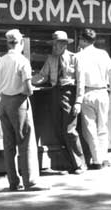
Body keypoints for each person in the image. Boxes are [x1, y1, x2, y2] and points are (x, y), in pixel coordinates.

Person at [0, 29, 48, 191]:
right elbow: (29, 89)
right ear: (21, 43)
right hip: (18, 102)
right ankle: (30, 181)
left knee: (8, 144)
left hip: (3, 102)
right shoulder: (22, 61)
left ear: (8, 43)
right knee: (26, 142)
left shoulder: (0, 61)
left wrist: (6, 85)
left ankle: (13, 182)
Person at [32, 30, 86, 175]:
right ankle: (68, 164)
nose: (55, 47)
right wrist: (26, 81)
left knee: (70, 130)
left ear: (64, 44)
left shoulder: (74, 58)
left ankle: (80, 164)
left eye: (58, 44)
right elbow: (43, 76)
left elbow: (81, 81)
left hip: (70, 93)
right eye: (54, 44)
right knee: (59, 130)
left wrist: (78, 102)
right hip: (55, 93)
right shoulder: (51, 59)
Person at [74, 28, 111, 169]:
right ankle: (104, 157)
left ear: (83, 40)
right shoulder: (103, 53)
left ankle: (97, 160)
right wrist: (110, 91)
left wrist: (78, 99)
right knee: (103, 127)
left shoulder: (79, 57)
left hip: (88, 93)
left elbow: (80, 80)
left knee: (90, 128)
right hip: (103, 92)